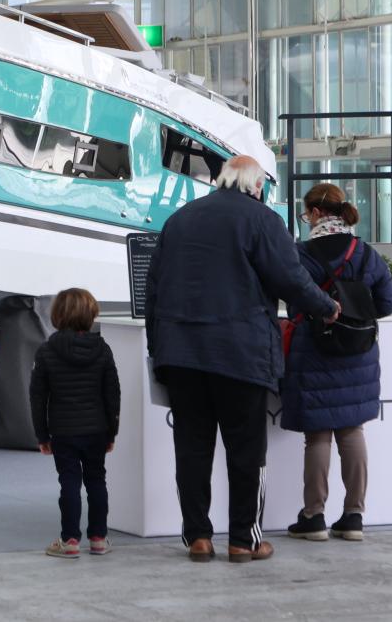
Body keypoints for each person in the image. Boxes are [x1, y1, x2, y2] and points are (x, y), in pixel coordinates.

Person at [146, 155, 339, 563]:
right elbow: (290, 278)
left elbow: (154, 290)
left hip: (182, 356)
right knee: (246, 451)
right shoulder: (261, 220)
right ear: (256, 186)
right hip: (241, 354)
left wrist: (157, 349)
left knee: (192, 450)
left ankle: (198, 538)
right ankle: (243, 541)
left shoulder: (179, 219)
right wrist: (326, 306)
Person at [283, 183, 392, 543]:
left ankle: (313, 517)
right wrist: (357, 315)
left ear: (316, 213)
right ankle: (353, 517)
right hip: (358, 351)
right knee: (352, 431)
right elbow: (387, 302)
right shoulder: (365, 253)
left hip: (315, 351)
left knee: (317, 435)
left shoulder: (302, 254)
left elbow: (294, 301)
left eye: (306, 214)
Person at [30, 287, 120, 560]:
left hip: (63, 430)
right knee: (97, 481)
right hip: (96, 429)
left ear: (57, 315)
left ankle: (69, 540)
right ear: (91, 314)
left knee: (68, 482)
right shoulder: (102, 349)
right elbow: (112, 394)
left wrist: (41, 435)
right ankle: (98, 538)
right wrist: (111, 432)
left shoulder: (46, 351)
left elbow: (37, 398)